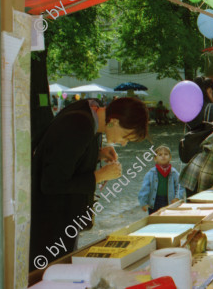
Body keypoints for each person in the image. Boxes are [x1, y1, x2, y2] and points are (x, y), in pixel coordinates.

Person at [29, 97, 149, 270]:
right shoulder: (80, 123)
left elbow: (68, 154)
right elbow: (51, 183)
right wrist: (98, 176)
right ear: (114, 121)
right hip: (50, 223)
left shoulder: (91, 116)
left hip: (62, 218)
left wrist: (97, 154)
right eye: (125, 136)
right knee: (50, 274)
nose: (123, 143)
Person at [139, 145, 185, 214]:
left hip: (169, 200)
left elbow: (179, 186)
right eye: (160, 155)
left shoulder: (174, 173)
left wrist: (177, 197)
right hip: (154, 201)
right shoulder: (151, 173)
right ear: (155, 158)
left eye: (166, 154)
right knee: (154, 219)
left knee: (168, 218)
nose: (163, 156)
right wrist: (143, 202)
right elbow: (145, 188)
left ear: (170, 157)